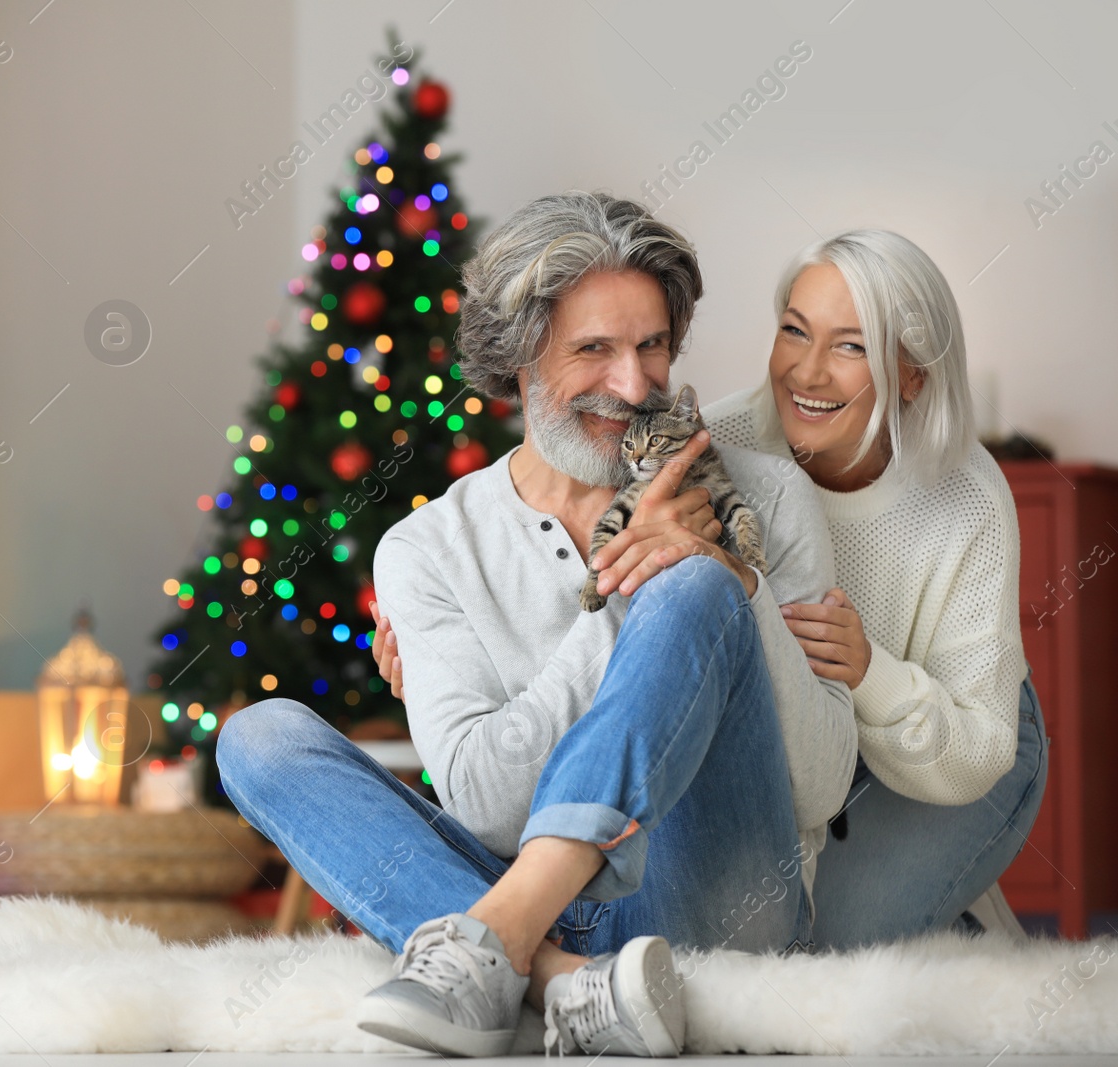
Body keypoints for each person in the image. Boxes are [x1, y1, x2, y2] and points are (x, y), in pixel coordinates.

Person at [216, 191, 856, 1059]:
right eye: (594, 350)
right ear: (518, 362)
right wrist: (621, 586)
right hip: (515, 883)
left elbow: (819, 786)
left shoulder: (766, 496)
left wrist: (716, 582)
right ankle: (565, 980)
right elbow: (480, 802)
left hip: (710, 904)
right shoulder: (428, 550)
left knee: (696, 586)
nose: (633, 387)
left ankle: (496, 948)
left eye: (652, 346)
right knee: (258, 737)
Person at [699, 230, 1048, 947]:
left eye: (851, 347)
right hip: (798, 744)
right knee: (741, 935)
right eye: (794, 331)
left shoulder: (968, 496)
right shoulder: (720, 444)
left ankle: (951, 894)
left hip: (962, 737)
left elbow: (981, 749)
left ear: (913, 374)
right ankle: (933, 901)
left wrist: (868, 672)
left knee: (817, 950)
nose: (808, 371)